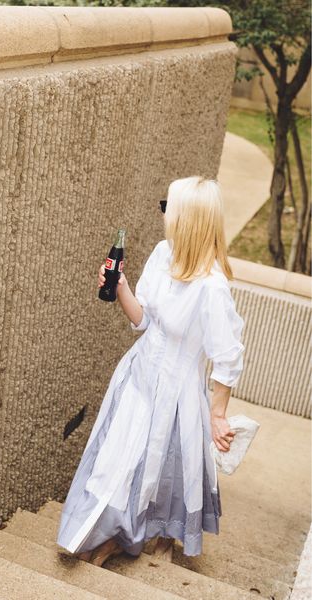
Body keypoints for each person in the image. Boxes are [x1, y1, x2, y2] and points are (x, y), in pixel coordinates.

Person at [56, 175, 245, 567]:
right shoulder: (163, 253)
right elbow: (143, 319)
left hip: (176, 394)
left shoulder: (212, 287)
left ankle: (128, 536)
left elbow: (227, 357)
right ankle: (103, 531)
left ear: (186, 220)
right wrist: (120, 285)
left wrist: (218, 414)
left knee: (150, 467)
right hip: (137, 375)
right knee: (118, 459)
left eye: (168, 208)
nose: (164, 215)